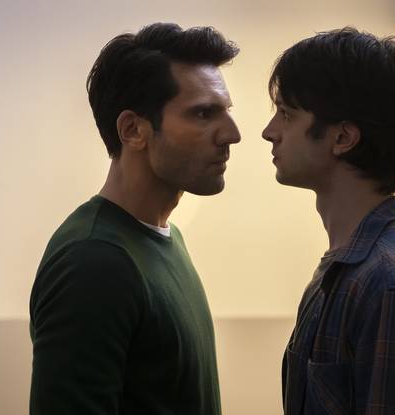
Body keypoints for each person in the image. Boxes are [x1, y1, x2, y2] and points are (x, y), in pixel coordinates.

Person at [29, 23, 240, 414]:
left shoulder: (163, 238)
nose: (232, 134)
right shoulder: (93, 261)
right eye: (203, 113)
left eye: (227, 112)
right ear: (133, 130)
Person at [262, 27, 395, 414]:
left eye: (286, 114)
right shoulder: (345, 270)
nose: (269, 132)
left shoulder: (393, 286)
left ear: (343, 138)